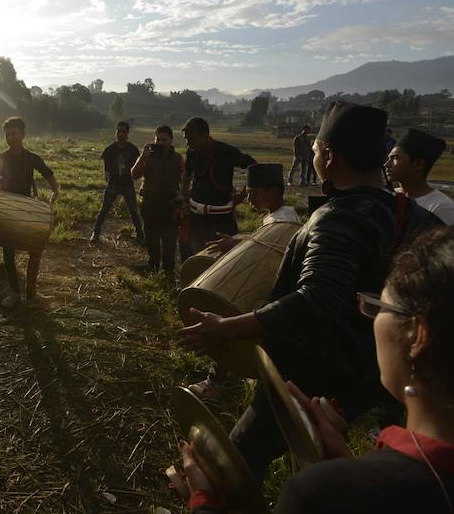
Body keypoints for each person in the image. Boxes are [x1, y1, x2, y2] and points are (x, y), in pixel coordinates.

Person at [178, 101, 441, 482]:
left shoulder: (339, 219)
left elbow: (320, 296)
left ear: (330, 157)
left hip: (309, 371)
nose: (314, 155)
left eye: (316, 149)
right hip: (375, 371)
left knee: (241, 455)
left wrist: (228, 327)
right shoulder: (417, 217)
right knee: (318, 448)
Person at [180, 225, 454, 513]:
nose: (372, 319)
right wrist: (343, 464)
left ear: (417, 335)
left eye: (378, 307)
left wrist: (203, 500)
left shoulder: (318, 493)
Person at [189, 163, 301, 401]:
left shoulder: (285, 222)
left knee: (227, 325)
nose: (249, 198)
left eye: (254, 192)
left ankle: (215, 384)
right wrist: (240, 240)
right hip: (268, 288)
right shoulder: (279, 216)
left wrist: (239, 245)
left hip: (267, 290)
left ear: (273, 191)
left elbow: (270, 250)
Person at [0, 117, 59, 308]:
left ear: (23, 135)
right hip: (5, 208)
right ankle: (14, 292)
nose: (10, 137)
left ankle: (31, 294)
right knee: (8, 253)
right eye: (7, 134)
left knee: (35, 250)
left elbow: (48, 173)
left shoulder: (32, 158)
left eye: (14, 133)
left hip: (27, 208)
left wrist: (56, 191)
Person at [180, 117, 256, 253]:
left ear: (204, 136)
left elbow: (253, 167)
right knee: (196, 255)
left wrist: (242, 196)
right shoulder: (192, 152)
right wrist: (183, 193)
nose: (188, 143)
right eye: (186, 139)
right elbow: (188, 171)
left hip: (221, 218)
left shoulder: (226, 152)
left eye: (190, 139)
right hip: (196, 216)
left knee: (223, 257)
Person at [131, 125, 183, 273]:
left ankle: (168, 270)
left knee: (169, 241)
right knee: (152, 239)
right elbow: (134, 175)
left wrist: (179, 204)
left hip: (169, 205)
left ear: (171, 140)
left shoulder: (178, 158)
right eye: (157, 139)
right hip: (150, 204)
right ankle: (153, 266)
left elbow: (185, 181)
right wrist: (143, 157)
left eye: (164, 140)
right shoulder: (148, 157)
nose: (160, 143)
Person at [90, 121, 144, 245]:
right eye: (118, 131)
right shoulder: (110, 149)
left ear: (127, 133)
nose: (121, 134)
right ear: (116, 132)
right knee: (104, 210)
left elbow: (138, 167)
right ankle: (95, 234)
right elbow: (106, 170)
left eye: (123, 131)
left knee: (134, 212)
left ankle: (140, 236)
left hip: (128, 184)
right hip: (113, 184)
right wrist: (108, 182)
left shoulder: (133, 149)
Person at [386, 128, 454, 225]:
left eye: (395, 158)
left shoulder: (442, 208)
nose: (386, 164)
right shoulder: (388, 197)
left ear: (417, 164)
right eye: (388, 158)